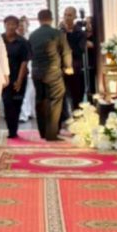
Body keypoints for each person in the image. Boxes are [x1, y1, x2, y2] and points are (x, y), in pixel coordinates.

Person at [28, 8, 74, 141]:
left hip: (36, 71)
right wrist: (68, 66)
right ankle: (51, 134)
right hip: (53, 72)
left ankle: (42, 132)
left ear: (39, 19)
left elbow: (30, 53)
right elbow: (66, 51)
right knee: (55, 101)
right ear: (51, 19)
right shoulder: (57, 33)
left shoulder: (33, 35)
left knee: (40, 100)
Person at [0, 15, 32, 139]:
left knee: (17, 103)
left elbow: (24, 62)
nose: (11, 27)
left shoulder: (23, 42)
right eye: (8, 24)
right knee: (7, 103)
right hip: (3, 78)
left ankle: (13, 130)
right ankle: (10, 130)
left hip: (19, 77)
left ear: (17, 26)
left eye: (13, 24)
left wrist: (19, 81)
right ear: (4, 25)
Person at [60, 6, 87, 117]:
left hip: (75, 69)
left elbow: (79, 51)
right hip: (61, 69)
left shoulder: (80, 32)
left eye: (70, 15)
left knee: (76, 96)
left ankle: (77, 118)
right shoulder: (59, 32)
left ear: (75, 17)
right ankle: (64, 119)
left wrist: (68, 35)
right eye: (65, 15)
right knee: (61, 97)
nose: (67, 17)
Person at [18, 15, 35, 122]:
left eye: (23, 26)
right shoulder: (15, 38)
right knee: (23, 92)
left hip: (31, 67)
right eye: (19, 26)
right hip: (19, 68)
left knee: (31, 92)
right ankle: (24, 114)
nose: (21, 28)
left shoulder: (31, 37)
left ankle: (30, 112)